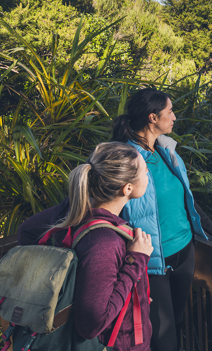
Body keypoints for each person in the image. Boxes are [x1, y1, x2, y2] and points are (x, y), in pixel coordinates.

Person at [111, 88, 212, 351]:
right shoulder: (125, 160)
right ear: (153, 118)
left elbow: (186, 199)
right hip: (151, 263)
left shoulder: (167, 152)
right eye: (170, 111)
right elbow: (108, 208)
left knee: (176, 322)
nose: (174, 117)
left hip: (185, 252)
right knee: (162, 337)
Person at [18, 142, 153, 351]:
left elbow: (27, 231)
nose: (148, 173)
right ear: (127, 188)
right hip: (115, 345)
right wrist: (136, 261)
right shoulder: (105, 243)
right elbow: (91, 326)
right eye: (146, 170)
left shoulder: (74, 212)